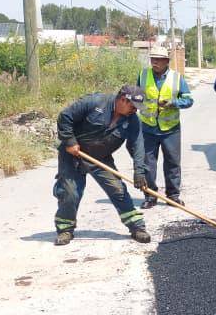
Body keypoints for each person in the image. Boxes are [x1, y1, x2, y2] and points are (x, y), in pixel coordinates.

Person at [53, 85, 151, 245]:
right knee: (70, 192)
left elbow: (137, 145)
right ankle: (65, 229)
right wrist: (70, 141)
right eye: (133, 106)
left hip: (100, 157)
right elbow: (65, 117)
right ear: (122, 99)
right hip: (73, 154)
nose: (135, 110)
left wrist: (139, 171)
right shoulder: (95, 102)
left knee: (118, 190)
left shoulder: (132, 120)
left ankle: (137, 228)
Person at [137, 46, 193, 208]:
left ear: (166, 61)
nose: (154, 62)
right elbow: (137, 97)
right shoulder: (143, 75)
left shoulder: (177, 78)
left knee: (172, 162)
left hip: (170, 129)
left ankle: (173, 195)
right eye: (152, 59)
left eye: (158, 59)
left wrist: (173, 103)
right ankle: (150, 196)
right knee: (147, 163)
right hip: (148, 127)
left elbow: (189, 100)